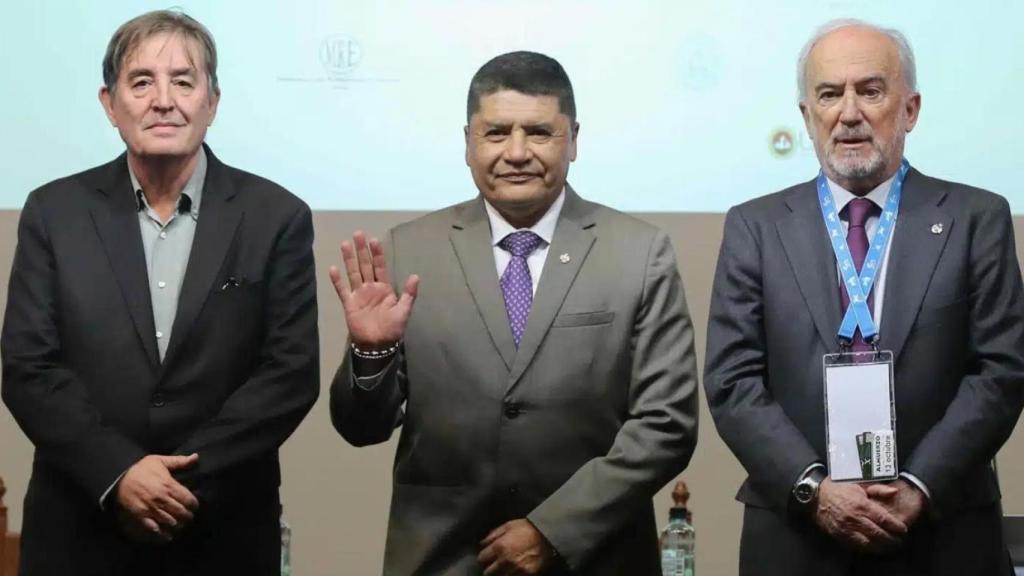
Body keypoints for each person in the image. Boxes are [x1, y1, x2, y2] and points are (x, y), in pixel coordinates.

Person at [329, 51, 698, 575]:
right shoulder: (408, 251)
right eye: (497, 132)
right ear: (468, 142)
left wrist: (554, 530)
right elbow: (360, 428)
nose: (518, 152)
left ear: (573, 138)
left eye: (540, 133)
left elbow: (667, 425)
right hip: (443, 559)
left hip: (595, 557)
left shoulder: (640, 254)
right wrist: (371, 353)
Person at [1, 10, 319, 575]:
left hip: (221, 531)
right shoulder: (54, 212)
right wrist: (119, 473)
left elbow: (288, 375)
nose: (163, 100)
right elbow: (29, 368)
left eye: (183, 81)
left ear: (212, 102)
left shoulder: (276, 216)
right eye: (142, 81)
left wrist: (176, 483)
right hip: (79, 528)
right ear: (110, 103)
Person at [704, 18, 1024, 575]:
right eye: (829, 94)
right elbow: (733, 381)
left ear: (910, 110)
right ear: (807, 116)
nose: (848, 112)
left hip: (941, 537)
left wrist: (920, 486)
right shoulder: (754, 227)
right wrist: (815, 490)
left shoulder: (978, 218)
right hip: (796, 536)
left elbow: (1001, 372)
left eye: (870, 91)